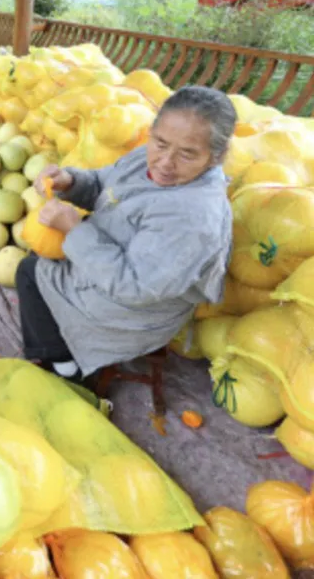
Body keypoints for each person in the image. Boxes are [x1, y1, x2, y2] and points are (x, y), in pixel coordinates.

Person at [15, 86, 236, 383]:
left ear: (216, 157)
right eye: (160, 143)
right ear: (153, 132)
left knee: (30, 272)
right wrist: (69, 181)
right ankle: (58, 345)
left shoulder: (194, 215)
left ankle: (66, 367)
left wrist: (75, 230)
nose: (165, 163)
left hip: (134, 312)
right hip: (116, 267)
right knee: (38, 260)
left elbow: (136, 287)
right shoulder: (144, 158)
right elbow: (105, 183)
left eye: (187, 154)